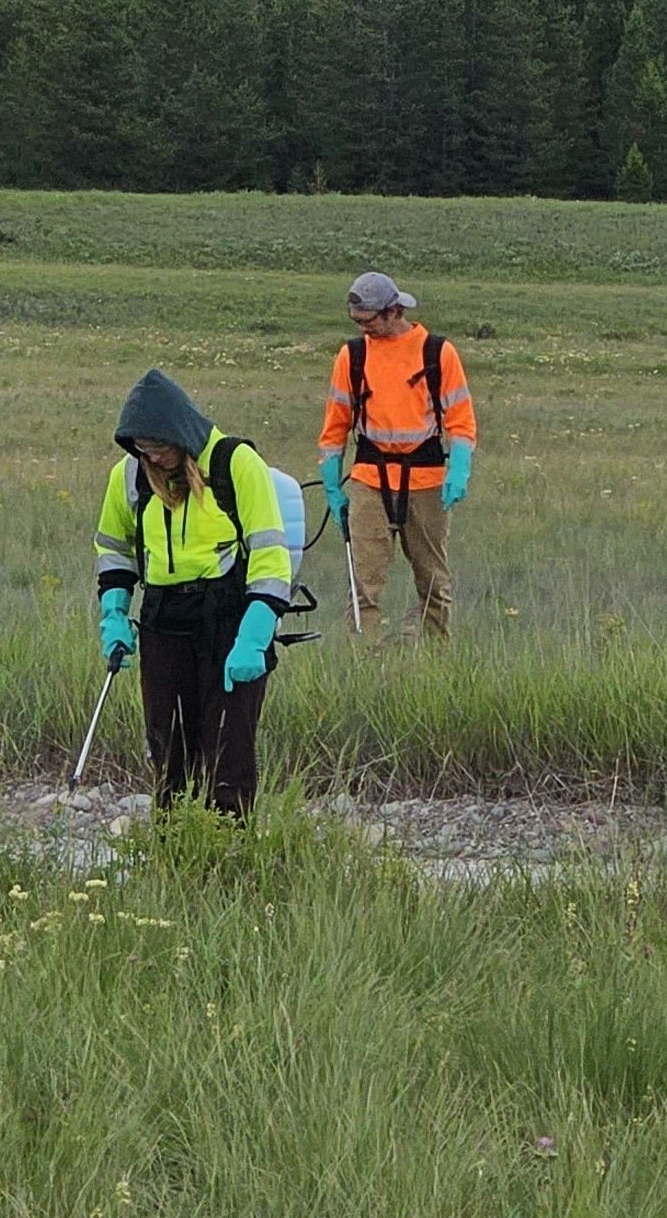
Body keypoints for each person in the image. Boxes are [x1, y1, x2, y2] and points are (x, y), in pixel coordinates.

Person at [93, 369, 295, 816]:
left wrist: (255, 634)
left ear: (180, 434)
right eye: (143, 449)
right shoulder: (130, 476)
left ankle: (229, 860)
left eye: (160, 448)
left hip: (231, 618)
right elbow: (114, 550)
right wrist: (114, 612)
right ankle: (173, 856)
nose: (154, 458)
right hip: (163, 619)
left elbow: (269, 557)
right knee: (169, 755)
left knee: (228, 751)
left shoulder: (236, 464)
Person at [319, 270, 476, 641]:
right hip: (369, 482)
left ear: (393, 311)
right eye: (355, 322)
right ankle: (368, 665)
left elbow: (461, 421)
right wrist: (332, 485)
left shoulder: (437, 353)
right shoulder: (352, 356)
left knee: (434, 582)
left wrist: (460, 468)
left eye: (368, 321)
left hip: (427, 482)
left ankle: (434, 662)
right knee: (364, 588)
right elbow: (335, 427)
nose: (362, 330)